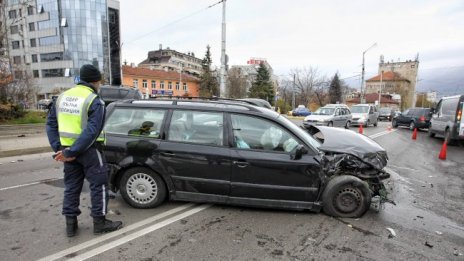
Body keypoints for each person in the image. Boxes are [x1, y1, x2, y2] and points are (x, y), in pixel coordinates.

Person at [46, 64, 122, 237]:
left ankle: (70, 226)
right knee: (99, 186)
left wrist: (62, 150)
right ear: (95, 81)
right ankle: (100, 223)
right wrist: (71, 152)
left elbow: (50, 125)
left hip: (68, 152)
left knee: (72, 187)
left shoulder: (61, 98)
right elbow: (92, 131)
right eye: (100, 81)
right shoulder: (94, 100)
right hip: (89, 151)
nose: (100, 85)